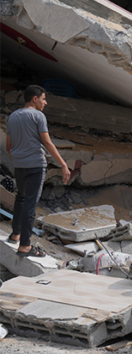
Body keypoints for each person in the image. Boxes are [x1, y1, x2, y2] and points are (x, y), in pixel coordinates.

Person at [6, 85, 70, 257]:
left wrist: (19, 158)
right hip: (35, 165)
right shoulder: (38, 116)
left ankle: (15, 234)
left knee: (20, 197)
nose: (45, 103)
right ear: (35, 99)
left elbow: (8, 146)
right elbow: (48, 143)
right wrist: (63, 164)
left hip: (19, 165)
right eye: (43, 99)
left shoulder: (12, 117)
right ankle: (25, 246)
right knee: (30, 204)